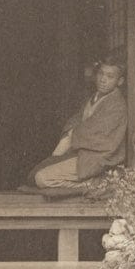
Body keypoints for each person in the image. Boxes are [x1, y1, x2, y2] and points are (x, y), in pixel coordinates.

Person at [25, 59, 127, 191]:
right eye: (101, 74)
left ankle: (96, 184)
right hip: (82, 153)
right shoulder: (94, 97)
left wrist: (74, 134)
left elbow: (101, 137)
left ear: (120, 81)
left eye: (110, 76)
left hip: (98, 158)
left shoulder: (117, 105)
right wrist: (71, 133)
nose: (103, 79)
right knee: (38, 173)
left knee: (42, 178)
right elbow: (77, 121)